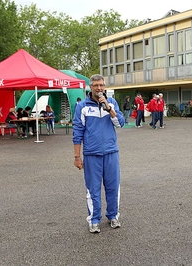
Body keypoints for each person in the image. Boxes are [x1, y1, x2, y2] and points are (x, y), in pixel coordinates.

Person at [73, 74, 125, 233]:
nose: (99, 88)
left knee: (113, 187)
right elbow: (77, 132)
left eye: (101, 85)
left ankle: (113, 216)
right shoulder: (82, 106)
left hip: (111, 152)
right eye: (96, 85)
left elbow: (120, 123)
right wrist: (77, 157)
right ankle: (94, 220)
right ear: (91, 87)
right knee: (93, 189)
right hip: (91, 154)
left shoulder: (112, 102)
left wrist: (109, 108)